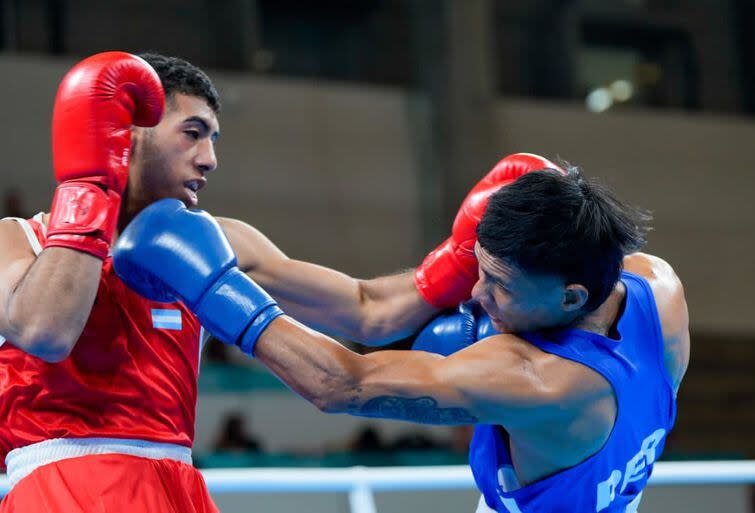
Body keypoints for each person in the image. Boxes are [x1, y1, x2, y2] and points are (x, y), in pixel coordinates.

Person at [0, 50, 551, 511]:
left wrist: (459, 252)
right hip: (61, 484)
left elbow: (368, 311)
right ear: (130, 133)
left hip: (176, 485)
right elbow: (47, 331)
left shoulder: (222, 241)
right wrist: (92, 186)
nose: (209, 158)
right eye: (191, 133)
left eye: (213, 138)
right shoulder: (17, 239)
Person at [115, 165, 689, 512]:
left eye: (499, 285)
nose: (474, 297)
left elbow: (343, 383)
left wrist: (214, 290)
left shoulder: (539, 378)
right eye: (479, 270)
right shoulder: (657, 286)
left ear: (569, 298)